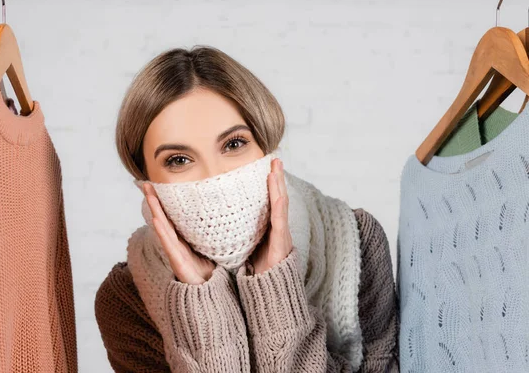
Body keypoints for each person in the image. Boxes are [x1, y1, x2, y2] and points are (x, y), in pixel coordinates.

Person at [95, 46, 399, 373]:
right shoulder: (126, 298)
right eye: (178, 160)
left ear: (264, 145)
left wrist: (277, 292)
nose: (215, 176)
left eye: (234, 144)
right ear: (147, 182)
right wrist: (203, 313)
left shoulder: (356, 242)